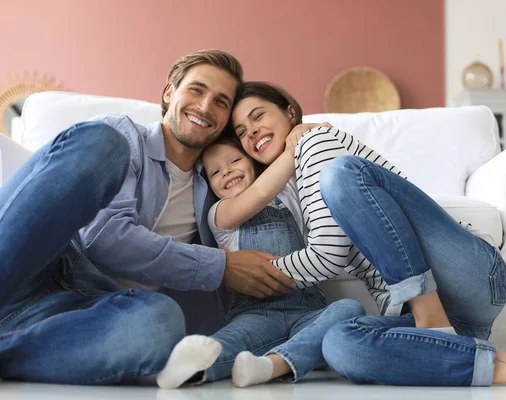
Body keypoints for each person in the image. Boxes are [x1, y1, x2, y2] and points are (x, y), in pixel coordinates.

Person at [229, 81, 506, 389]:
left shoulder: (314, 143)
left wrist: (244, 274)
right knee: (341, 345)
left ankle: (432, 319)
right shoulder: (286, 192)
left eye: (258, 116)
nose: (252, 133)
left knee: (340, 175)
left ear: (290, 113)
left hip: (467, 276)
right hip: (448, 319)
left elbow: (328, 255)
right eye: (241, 132)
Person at [0, 50, 296, 384]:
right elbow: (103, 237)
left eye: (220, 102)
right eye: (197, 90)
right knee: (101, 142)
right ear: (170, 93)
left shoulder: (219, 182)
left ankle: (10, 351)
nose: (205, 107)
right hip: (39, 265)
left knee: (161, 322)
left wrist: (301, 131)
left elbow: (268, 174)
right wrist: (220, 267)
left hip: (86, 311)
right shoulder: (124, 138)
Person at [155, 133, 365, 389]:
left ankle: (271, 365)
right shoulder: (219, 213)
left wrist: (306, 133)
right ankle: (189, 367)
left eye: (234, 160)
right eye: (215, 172)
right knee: (229, 340)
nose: (227, 171)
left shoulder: (288, 196)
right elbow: (258, 194)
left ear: (253, 161)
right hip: (257, 314)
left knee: (349, 309)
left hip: (308, 312)